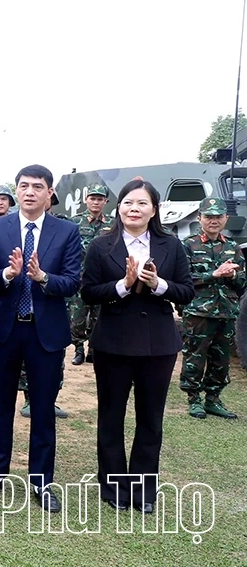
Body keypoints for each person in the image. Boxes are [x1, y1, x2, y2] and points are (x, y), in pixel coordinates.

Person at [80, 179, 194, 513]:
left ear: (154, 210)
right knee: (111, 417)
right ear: (119, 208)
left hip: (158, 346)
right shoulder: (102, 246)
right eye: (128, 202)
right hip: (113, 343)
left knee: (150, 420)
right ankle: (113, 486)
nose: (134, 209)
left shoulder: (171, 245)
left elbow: (186, 291)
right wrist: (123, 285)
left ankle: (144, 490)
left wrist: (158, 284)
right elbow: (88, 292)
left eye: (142, 203)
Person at [0, 165, 82, 512]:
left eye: (38, 186)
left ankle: (42, 481)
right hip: (6, 330)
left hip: (44, 332)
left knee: (42, 408)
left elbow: (71, 282)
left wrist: (42, 277)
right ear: (16, 190)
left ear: (49, 193)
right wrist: (8, 274)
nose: (30, 192)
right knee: (0, 406)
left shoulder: (66, 231)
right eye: (24, 186)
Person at [179, 197, 242, 420]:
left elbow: (243, 282)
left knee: (221, 359)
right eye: (209, 216)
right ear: (200, 219)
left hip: (226, 311)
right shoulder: (188, 244)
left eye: (218, 217)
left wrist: (234, 274)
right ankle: (194, 399)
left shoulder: (233, 247)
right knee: (195, 356)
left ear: (226, 219)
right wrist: (212, 274)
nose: (213, 221)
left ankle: (213, 399)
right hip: (199, 312)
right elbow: (182, 278)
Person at [69, 185, 113, 365]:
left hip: (102, 280)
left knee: (99, 317)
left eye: (100, 199)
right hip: (79, 278)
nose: (96, 202)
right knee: (76, 318)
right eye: (92, 198)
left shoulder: (113, 224)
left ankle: (93, 350)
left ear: (105, 201)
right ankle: (78, 349)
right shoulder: (74, 222)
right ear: (86, 200)